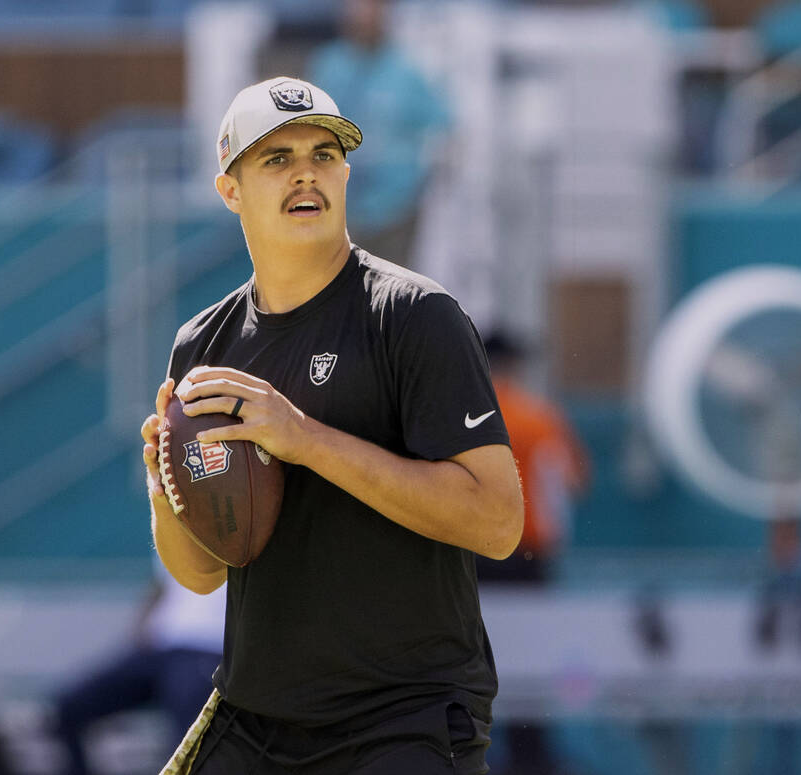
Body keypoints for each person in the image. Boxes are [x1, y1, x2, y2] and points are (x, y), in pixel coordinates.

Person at [139, 76, 523, 775]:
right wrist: (166, 488)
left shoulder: (414, 316)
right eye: (276, 159)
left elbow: (498, 521)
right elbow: (200, 574)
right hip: (257, 718)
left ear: (346, 173)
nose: (306, 173)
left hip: (402, 717)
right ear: (231, 189)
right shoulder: (203, 343)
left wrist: (306, 440)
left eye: (323, 153)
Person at [476, 331, 591, 775]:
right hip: (528, 558)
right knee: (532, 663)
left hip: (473, 555)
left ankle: (469, 753)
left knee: (472, 657)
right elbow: (575, 481)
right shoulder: (540, 417)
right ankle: (531, 757)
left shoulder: (460, 417)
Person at [305, 0, 452, 266]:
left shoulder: (408, 72)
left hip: (396, 207)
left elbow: (443, 126)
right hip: (339, 208)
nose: (364, 13)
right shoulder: (329, 66)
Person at [52, 560, 224, 775]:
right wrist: (140, 630)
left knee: (190, 738)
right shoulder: (178, 530)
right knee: (68, 706)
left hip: (207, 646)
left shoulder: (246, 532)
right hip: (158, 647)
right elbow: (162, 586)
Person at [477, 331, 591, 586]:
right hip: (527, 548)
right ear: (515, 367)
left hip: (471, 546)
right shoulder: (541, 419)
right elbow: (574, 483)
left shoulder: (455, 419)